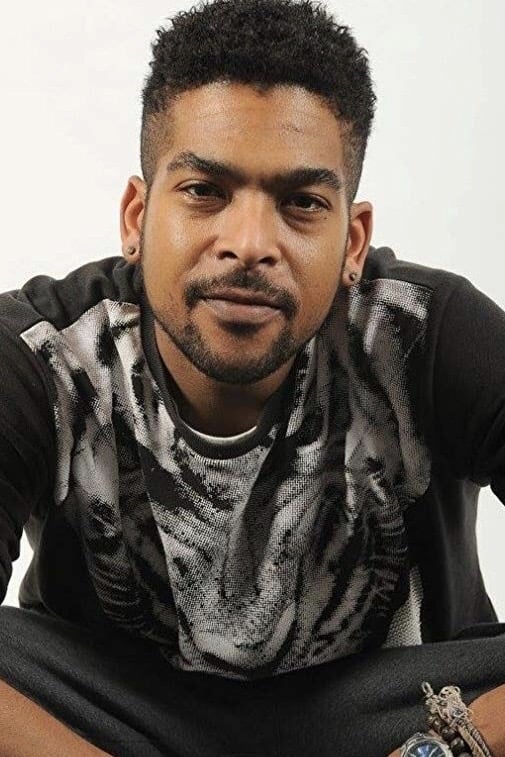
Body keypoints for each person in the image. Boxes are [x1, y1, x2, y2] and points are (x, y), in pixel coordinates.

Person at [0, 0, 504, 755]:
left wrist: (448, 747)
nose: (248, 243)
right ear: (136, 217)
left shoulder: (424, 334)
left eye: (300, 203)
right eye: (205, 191)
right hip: (115, 721)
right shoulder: (45, 354)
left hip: (389, 724)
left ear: (352, 240)